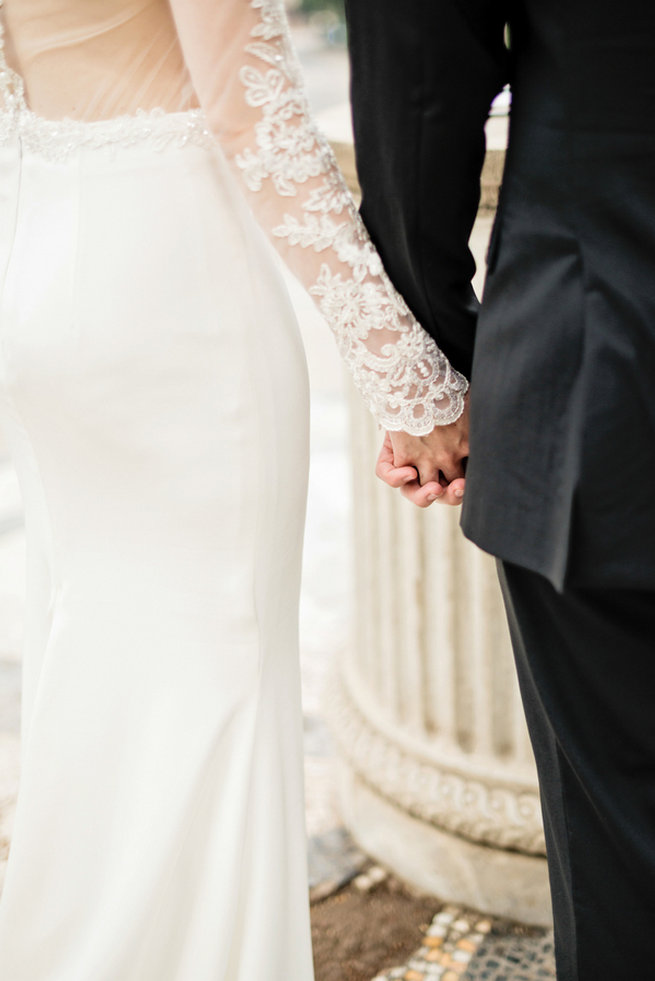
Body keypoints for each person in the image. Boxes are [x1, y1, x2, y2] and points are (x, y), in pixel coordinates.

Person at [0, 1, 470, 978]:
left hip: (44, 249)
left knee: (93, 643)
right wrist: (402, 371)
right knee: (218, 666)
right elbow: (251, 110)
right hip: (170, 283)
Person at [345, 0, 655, 978]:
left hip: (606, 350)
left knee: (625, 847)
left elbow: (420, 89)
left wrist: (436, 372)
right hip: (603, 356)